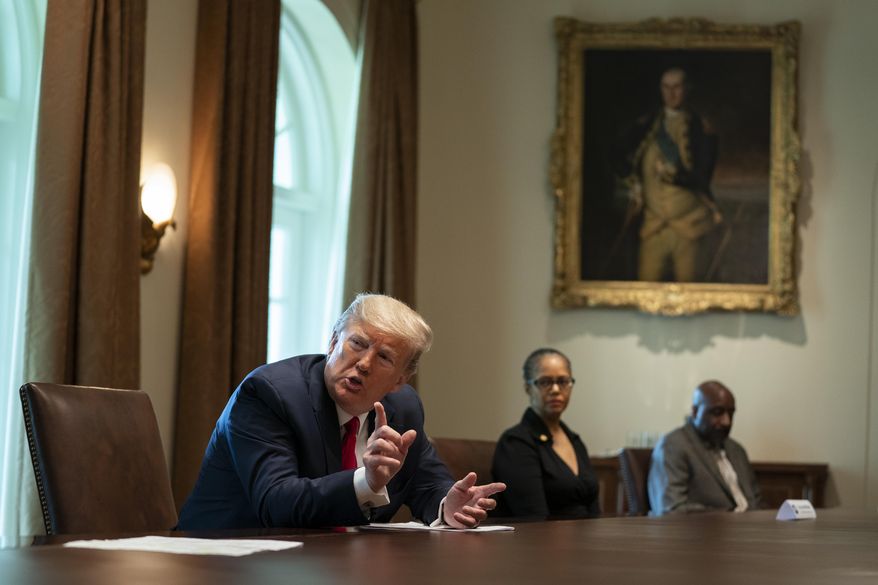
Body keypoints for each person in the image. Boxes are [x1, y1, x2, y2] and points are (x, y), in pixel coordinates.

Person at [177, 293, 505, 530]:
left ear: (400, 380)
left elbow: (426, 484)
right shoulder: (269, 393)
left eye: (384, 358)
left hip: (331, 565)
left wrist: (448, 506)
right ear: (334, 342)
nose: (363, 363)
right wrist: (366, 481)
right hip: (223, 558)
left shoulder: (404, 408)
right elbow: (276, 502)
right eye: (357, 344)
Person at [617, 66, 722, 282]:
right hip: (652, 227)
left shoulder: (701, 128)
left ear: (687, 89)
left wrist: (673, 176)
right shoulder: (647, 125)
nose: (671, 93)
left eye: (677, 87)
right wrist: (634, 184)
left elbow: (702, 177)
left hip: (689, 227)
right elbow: (616, 154)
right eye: (666, 87)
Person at [491, 348, 600, 519]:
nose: (556, 389)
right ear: (528, 388)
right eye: (545, 382)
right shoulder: (515, 442)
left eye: (563, 381)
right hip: (541, 542)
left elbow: (594, 511)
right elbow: (534, 518)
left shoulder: (575, 440)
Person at [648, 380, 762, 515]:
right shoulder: (673, 446)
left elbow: (757, 502)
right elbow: (671, 509)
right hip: (709, 533)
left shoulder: (736, 450)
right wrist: (729, 517)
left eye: (731, 413)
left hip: (751, 530)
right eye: (717, 412)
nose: (727, 421)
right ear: (695, 412)